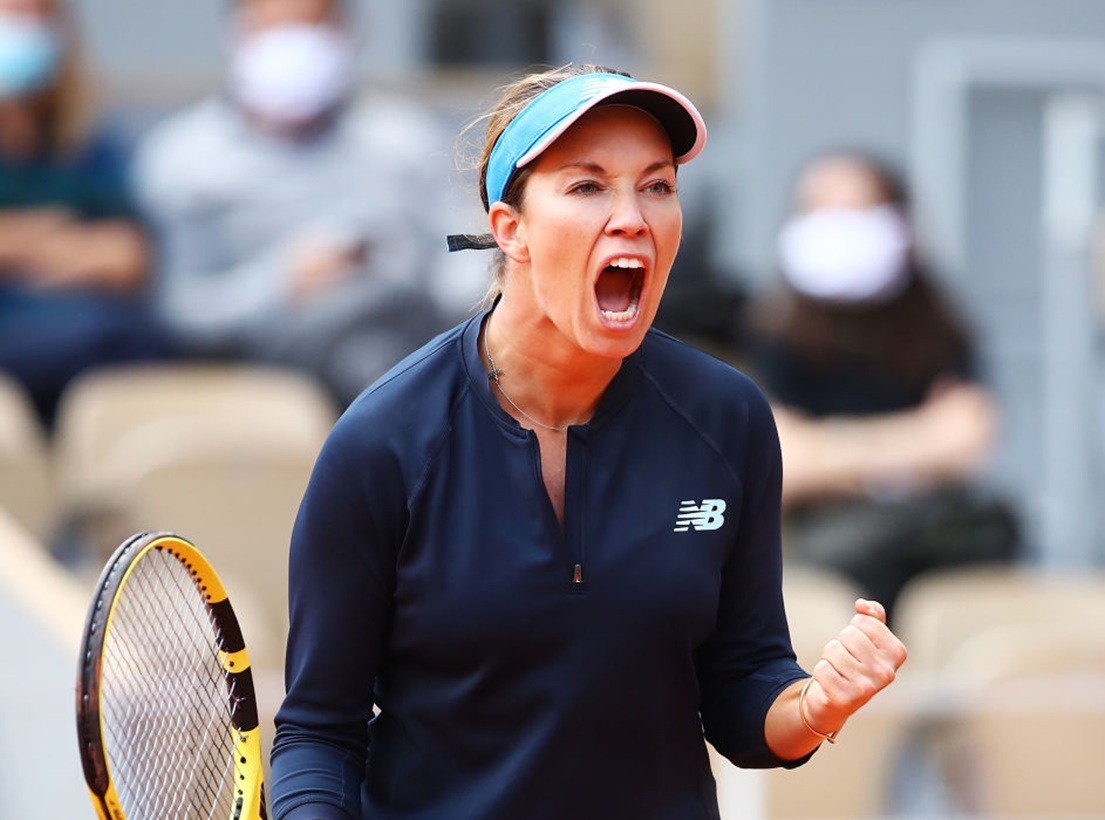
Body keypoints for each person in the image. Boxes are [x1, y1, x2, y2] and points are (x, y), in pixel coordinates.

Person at [270, 64, 906, 819]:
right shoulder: (381, 443)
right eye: (587, 186)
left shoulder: (727, 418)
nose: (633, 216)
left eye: (657, 185)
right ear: (512, 230)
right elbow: (319, 733)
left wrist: (819, 704)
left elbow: (742, 686)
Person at [134, 0, 461, 408]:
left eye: (311, 27)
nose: (294, 45)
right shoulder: (183, 159)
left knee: (388, 340)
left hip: (410, 326)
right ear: (236, 32)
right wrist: (284, 281)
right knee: (375, 356)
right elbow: (183, 313)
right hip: (276, 347)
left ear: (348, 32)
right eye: (275, 28)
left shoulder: (407, 140)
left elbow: (460, 262)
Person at [745, 151, 1021, 614]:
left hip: (938, 539)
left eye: (856, 211)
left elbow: (968, 439)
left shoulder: (940, 325)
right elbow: (782, 464)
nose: (837, 228)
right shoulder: (768, 331)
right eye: (820, 211)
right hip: (825, 549)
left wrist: (830, 453)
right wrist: (918, 444)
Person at [0, 0, 173, 428]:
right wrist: (60, 241)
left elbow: (126, 260)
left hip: (94, 352)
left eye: (29, 20)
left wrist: (17, 244)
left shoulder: (92, 145)